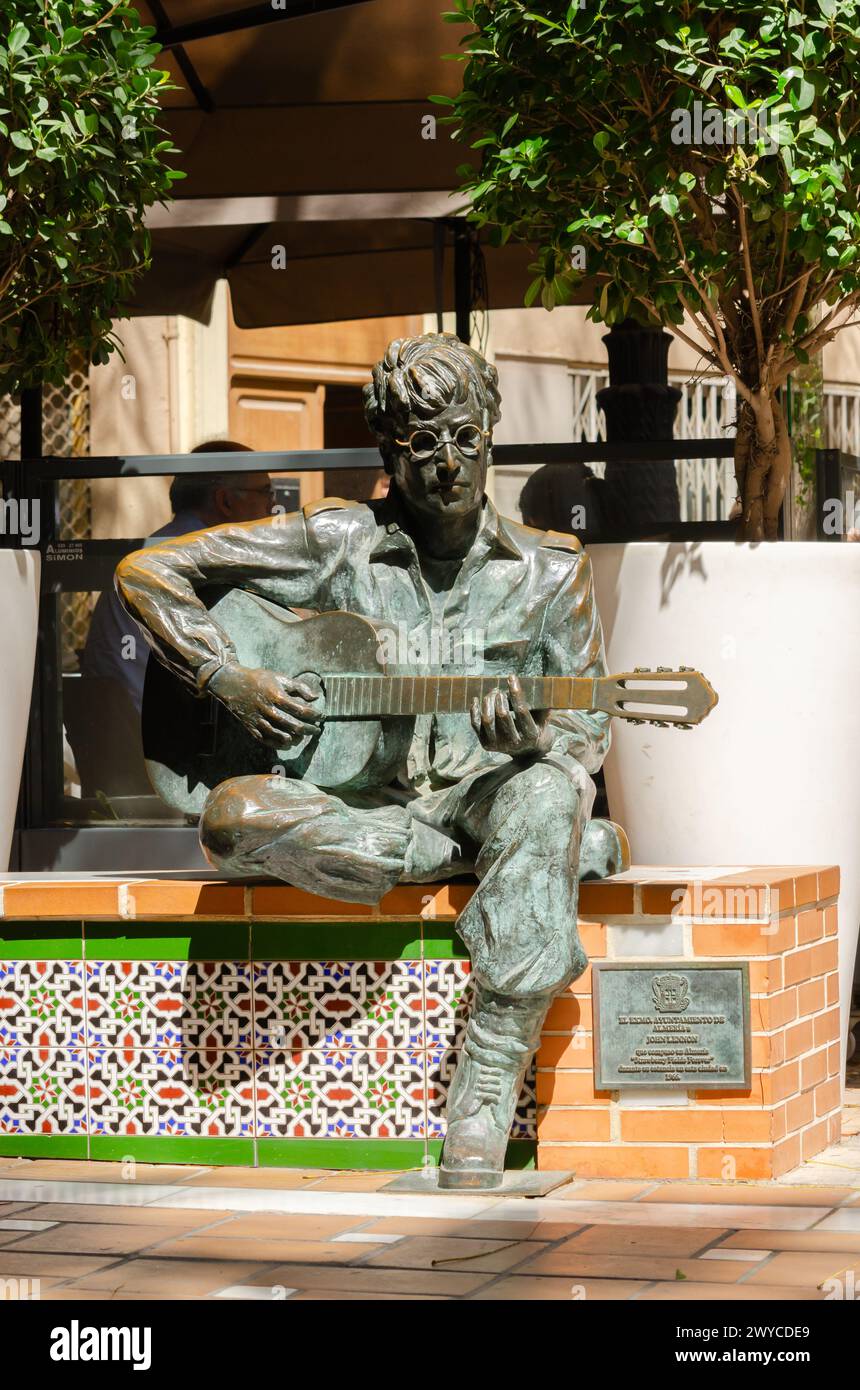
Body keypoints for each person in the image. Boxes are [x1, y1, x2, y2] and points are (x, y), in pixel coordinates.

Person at [115, 334, 628, 1189]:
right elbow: (148, 569)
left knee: (543, 791)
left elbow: (585, 734)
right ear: (391, 453)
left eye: (465, 437)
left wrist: (535, 744)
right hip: (366, 818)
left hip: (488, 793)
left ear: (490, 432)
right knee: (233, 820)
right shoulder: (336, 542)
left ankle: (489, 1073)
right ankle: (491, 861)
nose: (450, 465)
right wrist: (225, 675)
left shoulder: (550, 574)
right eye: (423, 447)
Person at [81, 441, 273, 712]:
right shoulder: (201, 557)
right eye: (266, 492)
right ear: (225, 501)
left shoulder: (166, 547)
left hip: (131, 725)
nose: (274, 506)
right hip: (155, 732)